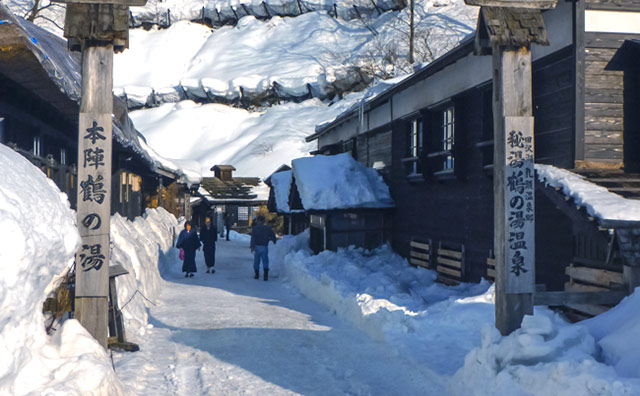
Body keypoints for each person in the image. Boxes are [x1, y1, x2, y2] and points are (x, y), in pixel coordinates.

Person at [250, 216, 277, 281]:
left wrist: (252, 246)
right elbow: (273, 235)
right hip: (265, 246)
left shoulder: (255, 229)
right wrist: (274, 240)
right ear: (264, 221)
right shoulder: (267, 228)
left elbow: (253, 238)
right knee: (265, 260)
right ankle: (265, 274)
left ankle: (257, 274)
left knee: (257, 261)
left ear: (258, 221)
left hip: (257, 246)